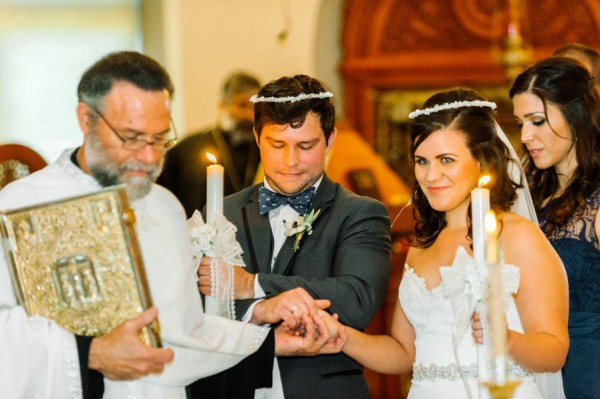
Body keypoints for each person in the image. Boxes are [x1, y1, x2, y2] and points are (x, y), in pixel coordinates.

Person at [0, 52, 340, 399]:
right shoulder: (17, 205)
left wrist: (266, 344)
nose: (149, 158)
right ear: (86, 119)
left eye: (160, 139)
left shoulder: (164, 207)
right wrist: (90, 353)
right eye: (132, 138)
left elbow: (184, 331)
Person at [316, 88, 569, 398]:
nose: (431, 175)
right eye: (422, 161)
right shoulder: (423, 245)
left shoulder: (518, 236)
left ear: (481, 161)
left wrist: (505, 339)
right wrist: (341, 337)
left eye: (446, 160)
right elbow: (404, 352)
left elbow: (554, 351)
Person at [198, 74, 392, 399]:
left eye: (306, 146)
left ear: (330, 140)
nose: (290, 161)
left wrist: (251, 284)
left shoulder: (360, 213)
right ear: (257, 137)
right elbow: (197, 305)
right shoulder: (219, 212)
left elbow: (356, 298)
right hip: (234, 386)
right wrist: (258, 310)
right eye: (277, 145)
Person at [510, 56, 600, 399]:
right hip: (528, 374)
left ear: (576, 116)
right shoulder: (528, 198)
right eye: (520, 123)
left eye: (537, 121)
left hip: (586, 373)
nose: (525, 136)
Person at [159, 71, 261, 218]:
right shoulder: (188, 150)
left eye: (254, 107)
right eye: (241, 105)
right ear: (222, 105)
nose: (248, 115)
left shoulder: (263, 149)